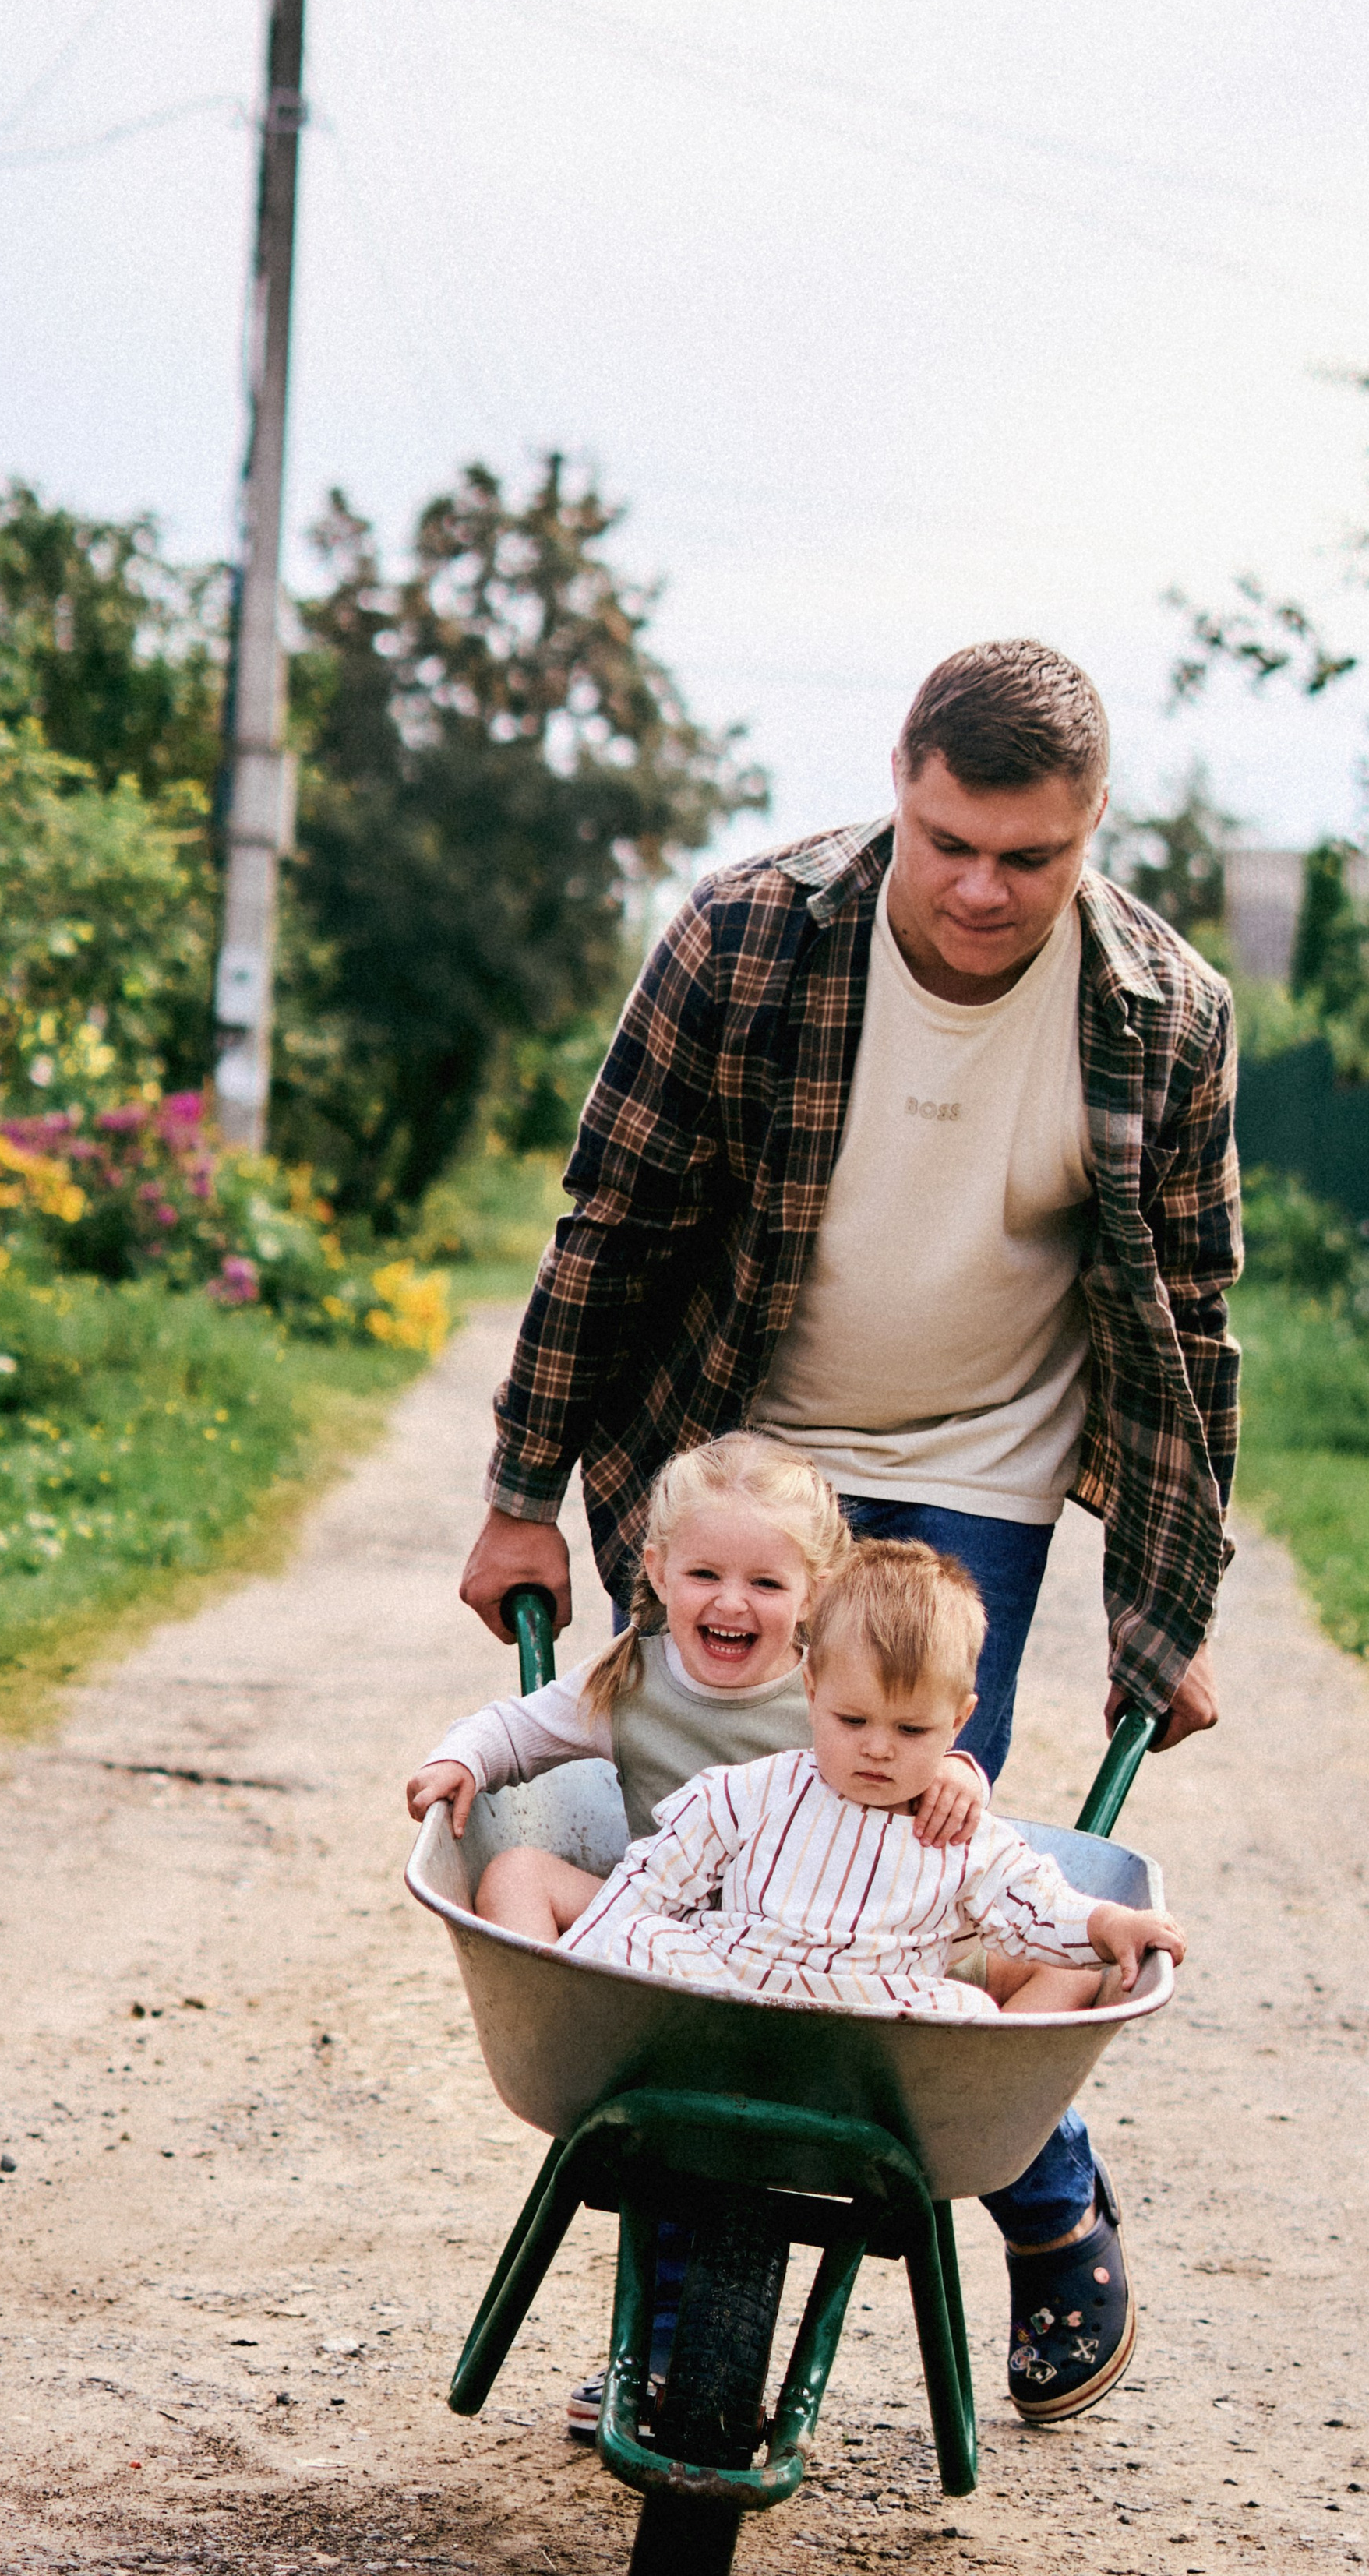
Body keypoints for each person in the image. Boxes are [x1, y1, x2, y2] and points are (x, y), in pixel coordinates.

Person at [458, 636, 1240, 2421]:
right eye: (941, 836)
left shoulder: (1160, 1011)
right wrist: (520, 1496)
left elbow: (1186, 1323)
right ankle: (675, 2333)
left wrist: (1164, 1607)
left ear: (1088, 831)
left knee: (901, 1864)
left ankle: (1034, 2194)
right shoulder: (747, 940)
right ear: (897, 783)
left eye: (1024, 857)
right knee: (709, 1889)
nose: (975, 888)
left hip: (981, 1471)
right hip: (744, 1459)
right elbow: (607, 1231)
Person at [561, 1540, 1186, 2022]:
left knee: (969, 2013)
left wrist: (1108, 1924)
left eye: (912, 1731)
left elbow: (1035, 1908)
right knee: (644, 1933)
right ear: (812, 1692)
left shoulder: (961, 1835)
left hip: (882, 2026)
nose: (878, 1749)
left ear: (959, 1721)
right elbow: (647, 1882)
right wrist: (564, 1979)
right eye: (852, 1720)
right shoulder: (748, 1793)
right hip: (734, 2001)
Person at [407, 1434, 988, 1941]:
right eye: (704, 1574)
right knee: (516, 1873)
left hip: (803, 1939)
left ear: (814, 1594)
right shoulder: (632, 1681)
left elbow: (910, 1750)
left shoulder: (837, 1692)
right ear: (660, 1573)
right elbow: (515, 1730)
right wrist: (463, 1757)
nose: (731, 1601)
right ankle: (563, 2022)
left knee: (1060, 1959)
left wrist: (961, 1775)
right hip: (657, 1927)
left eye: (765, 1582)